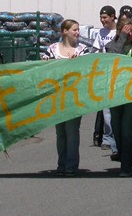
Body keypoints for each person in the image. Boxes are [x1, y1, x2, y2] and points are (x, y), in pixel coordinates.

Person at [43, 19, 89, 176]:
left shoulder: (82, 50)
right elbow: (43, 68)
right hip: (56, 96)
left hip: (74, 97)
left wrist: (78, 65)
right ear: (64, 31)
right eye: (74, 30)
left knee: (72, 131)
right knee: (60, 133)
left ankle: (71, 165)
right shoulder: (52, 49)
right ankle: (61, 163)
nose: (77, 33)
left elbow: (89, 71)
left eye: (77, 30)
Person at [105, 19, 132, 176]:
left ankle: (126, 166)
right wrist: (121, 37)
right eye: (126, 30)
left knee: (127, 128)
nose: (129, 33)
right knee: (116, 126)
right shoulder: (111, 46)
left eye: (131, 30)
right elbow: (114, 58)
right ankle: (123, 156)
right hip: (115, 92)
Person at [93, 6, 118, 156]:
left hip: (117, 72)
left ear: (113, 17)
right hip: (104, 73)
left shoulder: (118, 32)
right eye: (101, 17)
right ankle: (107, 138)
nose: (103, 20)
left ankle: (115, 136)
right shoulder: (100, 33)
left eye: (105, 17)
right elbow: (96, 50)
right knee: (106, 108)